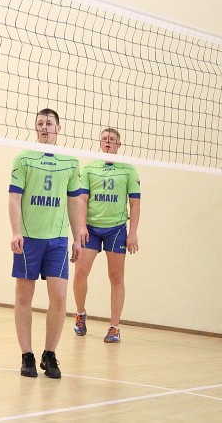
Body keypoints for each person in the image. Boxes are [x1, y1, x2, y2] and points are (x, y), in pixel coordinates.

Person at [8, 108, 83, 379]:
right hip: (29, 238)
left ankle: (49, 354)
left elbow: (74, 202)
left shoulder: (70, 162)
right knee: (23, 297)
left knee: (59, 297)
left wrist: (77, 236)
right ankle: (26, 355)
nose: (44, 127)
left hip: (57, 240)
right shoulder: (24, 159)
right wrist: (16, 232)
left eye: (49, 123)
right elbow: (14, 198)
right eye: (40, 123)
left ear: (58, 128)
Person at [72, 128, 141, 344]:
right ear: (100, 143)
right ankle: (80, 313)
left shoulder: (128, 170)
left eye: (112, 140)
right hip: (91, 228)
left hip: (116, 229)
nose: (108, 143)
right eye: (104, 140)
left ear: (119, 145)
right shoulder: (89, 169)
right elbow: (82, 200)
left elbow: (135, 203)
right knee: (80, 273)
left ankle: (114, 327)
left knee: (116, 277)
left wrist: (133, 233)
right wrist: (81, 227)